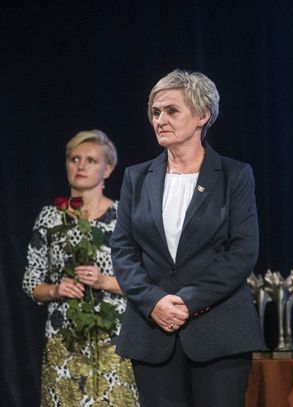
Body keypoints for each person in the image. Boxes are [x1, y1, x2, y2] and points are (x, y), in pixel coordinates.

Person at [110, 69, 264, 407]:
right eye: (155, 112)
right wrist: (154, 302)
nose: (160, 120)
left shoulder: (235, 175)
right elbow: (122, 250)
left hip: (219, 330)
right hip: (152, 330)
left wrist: (187, 301)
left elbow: (242, 251)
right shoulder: (137, 177)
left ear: (202, 116)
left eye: (171, 111)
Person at [22, 130, 138, 406]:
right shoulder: (51, 217)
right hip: (65, 340)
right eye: (74, 159)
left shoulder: (124, 217)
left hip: (114, 340)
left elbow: (145, 282)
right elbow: (30, 282)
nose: (81, 166)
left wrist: (103, 281)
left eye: (91, 160)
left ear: (107, 169)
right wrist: (55, 289)